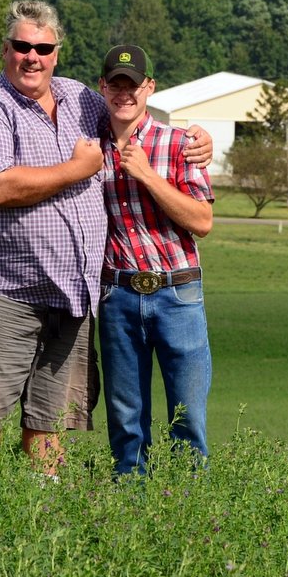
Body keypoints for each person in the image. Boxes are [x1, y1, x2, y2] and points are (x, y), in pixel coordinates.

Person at [0, 1, 211, 472]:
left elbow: (133, 121)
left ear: (57, 53)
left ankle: (44, 516)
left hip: (72, 297)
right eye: (23, 46)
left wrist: (199, 140)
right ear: (6, 50)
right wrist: (75, 170)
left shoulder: (79, 101)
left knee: (49, 420)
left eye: (43, 48)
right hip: (4, 291)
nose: (33, 56)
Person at [97, 44, 215, 475]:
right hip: (118, 296)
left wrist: (147, 175)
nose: (124, 93)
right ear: (102, 87)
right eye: (115, 83)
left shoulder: (180, 143)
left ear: (150, 87)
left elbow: (202, 221)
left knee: (188, 422)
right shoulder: (89, 147)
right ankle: (128, 523)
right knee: (126, 425)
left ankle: (188, 520)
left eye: (133, 84)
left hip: (177, 293)